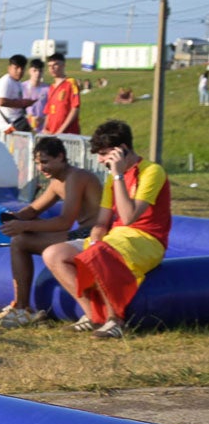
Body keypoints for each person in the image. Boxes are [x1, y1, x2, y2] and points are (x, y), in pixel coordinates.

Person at [41, 120, 171, 339]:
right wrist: (95, 238)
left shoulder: (151, 172)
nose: (100, 160)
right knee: (53, 254)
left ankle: (116, 320)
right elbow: (102, 222)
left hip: (147, 239)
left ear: (122, 150)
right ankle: (93, 316)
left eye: (104, 154)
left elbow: (129, 217)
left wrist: (119, 175)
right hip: (116, 237)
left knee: (98, 253)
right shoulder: (112, 178)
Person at [0, 136, 103, 328]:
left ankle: (22, 307)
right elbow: (33, 210)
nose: (41, 168)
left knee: (20, 241)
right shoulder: (58, 182)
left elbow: (64, 222)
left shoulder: (76, 177)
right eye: (38, 163)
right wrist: (16, 217)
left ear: (60, 157)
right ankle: (20, 306)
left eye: (45, 162)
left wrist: (24, 226)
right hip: (80, 233)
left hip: (93, 234)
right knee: (20, 239)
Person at [0, 54, 34, 134]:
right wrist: (22, 103)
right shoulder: (6, 81)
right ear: (9, 68)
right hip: (9, 126)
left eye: (22, 68)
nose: (19, 71)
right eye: (16, 68)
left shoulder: (17, 82)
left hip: (18, 123)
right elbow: (1, 101)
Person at [41, 52, 81, 135]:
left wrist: (61, 131)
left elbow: (75, 108)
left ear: (63, 65)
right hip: (52, 133)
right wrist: (44, 129)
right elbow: (48, 112)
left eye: (55, 65)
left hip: (68, 133)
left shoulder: (70, 83)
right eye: (49, 66)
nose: (52, 68)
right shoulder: (51, 88)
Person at [22, 58, 50, 131]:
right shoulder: (22, 87)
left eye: (40, 71)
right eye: (34, 70)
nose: (37, 73)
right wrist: (27, 117)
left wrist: (43, 119)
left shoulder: (48, 89)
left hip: (42, 129)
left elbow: (52, 110)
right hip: (25, 128)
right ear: (30, 71)